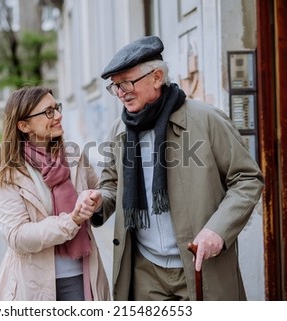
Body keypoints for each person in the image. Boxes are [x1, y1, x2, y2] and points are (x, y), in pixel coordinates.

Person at [79, 35, 264, 300]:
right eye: (115, 87)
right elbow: (111, 186)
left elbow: (247, 178)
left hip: (199, 266)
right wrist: (98, 201)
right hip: (144, 270)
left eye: (127, 83)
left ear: (156, 77)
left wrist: (219, 229)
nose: (121, 93)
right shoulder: (119, 130)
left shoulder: (206, 119)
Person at [0, 86, 110, 301]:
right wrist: (72, 220)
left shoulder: (73, 154)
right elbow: (17, 236)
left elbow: (99, 190)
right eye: (48, 112)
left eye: (56, 108)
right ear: (23, 125)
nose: (59, 116)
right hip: (34, 285)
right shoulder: (8, 171)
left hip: (83, 275)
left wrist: (96, 200)